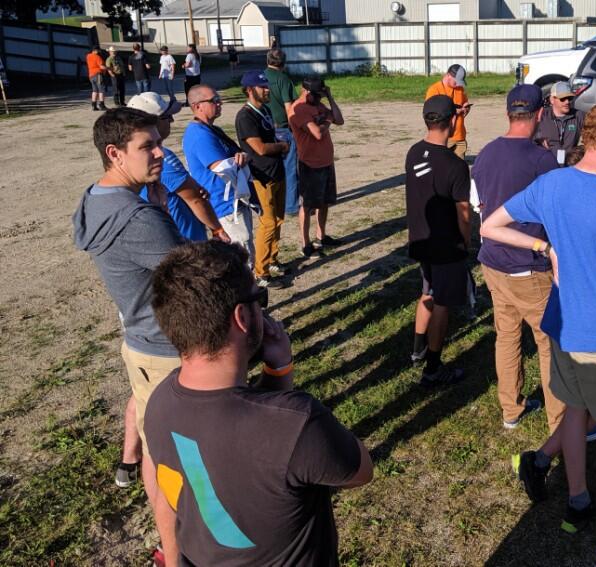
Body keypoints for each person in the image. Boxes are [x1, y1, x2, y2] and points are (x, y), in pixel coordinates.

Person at [145, 240, 374, 565]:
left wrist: (278, 370)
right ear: (241, 317)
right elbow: (359, 471)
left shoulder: (159, 404)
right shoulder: (298, 424)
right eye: (259, 299)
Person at [480, 100, 596, 532]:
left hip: (560, 320)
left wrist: (544, 247)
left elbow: (490, 227)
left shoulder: (552, 184)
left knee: (575, 409)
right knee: (594, 410)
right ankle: (571, 495)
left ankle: (550, 473)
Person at [72, 107, 182, 563]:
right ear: (115, 153)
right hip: (170, 350)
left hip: (138, 341)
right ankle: (178, 555)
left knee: (157, 451)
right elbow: (193, 276)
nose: (160, 152)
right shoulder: (137, 218)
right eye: (148, 147)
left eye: (158, 141)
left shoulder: (95, 198)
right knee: (180, 465)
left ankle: (171, 547)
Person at [472, 84, 565, 432]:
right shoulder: (542, 160)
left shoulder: (486, 153)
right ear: (541, 114)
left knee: (507, 335)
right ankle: (561, 422)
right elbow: (558, 212)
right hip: (530, 266)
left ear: (509, 113)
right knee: (550, 343)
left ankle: (511, 408)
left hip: (493, 260)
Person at [405, 94, 471, 388]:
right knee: (442, 302)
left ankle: (417, 348)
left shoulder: (413, 152)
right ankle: (432, 366)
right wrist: (466, 242)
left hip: (421, 239)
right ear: (453, 121)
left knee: (427, 291)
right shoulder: (455, 166)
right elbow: (464, 213)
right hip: (446, 246)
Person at [128, 91, 230, 244]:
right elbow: (195, 198)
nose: (172, 120)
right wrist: (217, 229)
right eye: (167, 117)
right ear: (154, 122)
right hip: (183, 238)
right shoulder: (161, 156)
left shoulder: (130, 154)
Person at [183, 84, 255, 261]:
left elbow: (238, 156)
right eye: (214, 101)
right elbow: (224, 169)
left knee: (243, 249)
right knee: (242, 255)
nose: (220, 103)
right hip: (225, 205)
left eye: (219, 99)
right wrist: (241, 160)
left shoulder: (213, 130)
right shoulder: (200, 135)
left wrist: (242, 157)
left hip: (235, 200)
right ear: (197, 106)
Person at [235, 70, 290, 287]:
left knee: (278, 220)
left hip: (277, 171)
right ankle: (261, 272)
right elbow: (259, 148)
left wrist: (279, 144)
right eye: (262, 87)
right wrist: (283, 146)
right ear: (249, 90)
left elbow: (272, 135)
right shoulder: (245, 116)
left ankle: (272, 259)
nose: (267, 90)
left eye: (267, 86)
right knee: (267, 223)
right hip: (261, 176)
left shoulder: (265, 109)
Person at [290, 76, 344, 258]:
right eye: (317, 95)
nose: (320, 98)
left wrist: (329, 97)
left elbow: (340, 119)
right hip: (310, 164)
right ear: (306, 92)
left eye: (322, 94)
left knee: (325, 202)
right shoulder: (298, 110)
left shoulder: (317, 105)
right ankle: (305, 244)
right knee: (308, 205)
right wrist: (327, 122)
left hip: (326, 161)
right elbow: (317, 133)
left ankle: (321, 236)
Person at [265, 48, 300, 219]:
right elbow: (289, 108)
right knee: (290, 169)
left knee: (272, 169)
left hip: (266, 128)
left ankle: (271, 204)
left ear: (268, 61)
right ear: (284, 63)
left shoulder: (261, 76)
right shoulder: (284, 79)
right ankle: (291, 206)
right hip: (284, 129)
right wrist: (297, 129)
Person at [425, 64, 472, 160]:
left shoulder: (460, 89)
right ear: (448, 75)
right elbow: (430, 114)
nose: (458, 84)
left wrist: (466, 108)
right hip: (442, 137)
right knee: (441, 167)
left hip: (459, 137)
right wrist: (453, 111)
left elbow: (465, 102)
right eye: (456, 81)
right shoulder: (434, 90)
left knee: (459, 168)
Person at [535, 82, 585, 167]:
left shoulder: (579, 115)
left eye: (569, 98)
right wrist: (538, 141)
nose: (567, 102)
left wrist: (581, 151)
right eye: (563, 99)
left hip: (570, 168)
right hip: (546, 167)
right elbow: (526, 137)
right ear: (552, 99)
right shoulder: (542, 115)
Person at [86, 45, 107, 111]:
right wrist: (108, 68)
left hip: (91, 75)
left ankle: (94, 105)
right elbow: (101, 66)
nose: (99, 52)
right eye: (98, 50)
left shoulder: (88, 56)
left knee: (94, 90)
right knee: (101, 90)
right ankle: (102, 105)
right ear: (96, 50)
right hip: (98, 74)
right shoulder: (97, 57)